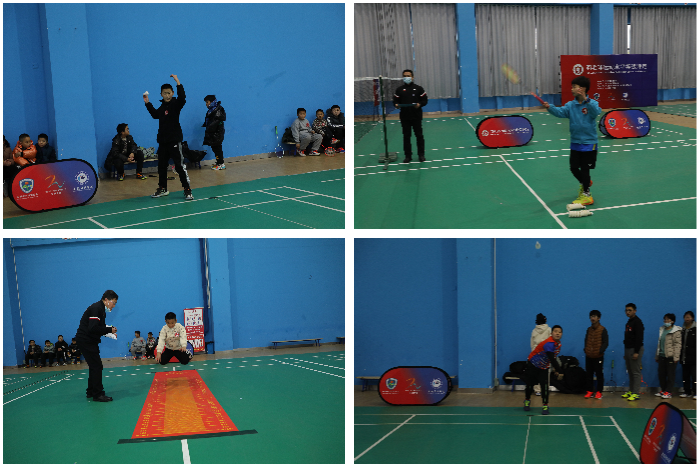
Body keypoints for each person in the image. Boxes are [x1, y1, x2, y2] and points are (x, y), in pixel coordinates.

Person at [541, 76, 601, 206]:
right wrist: (549, 107)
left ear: (582, 89)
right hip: (575, 142)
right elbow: (560, 112)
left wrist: (586, 100)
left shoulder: (592, 103)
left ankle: (587, 195)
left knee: (585, 169)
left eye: (574, 87)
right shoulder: (570, 105)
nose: (572, 89)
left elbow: (595, 112)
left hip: (589, 143)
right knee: (573, 168)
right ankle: (586, 182)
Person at [144, 74, 193, 200]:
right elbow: (155, 115)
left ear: (172, 93)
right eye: (165, 93)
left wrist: (178, 82)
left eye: (169, 93)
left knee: (179, 166)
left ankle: (187, 189)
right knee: (161, 166)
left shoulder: (176, 104)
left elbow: (182, 98)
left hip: (174, 140)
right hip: (163, 142)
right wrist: (147, 103)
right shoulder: (162, 107)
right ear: (161, 94)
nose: (167, 95)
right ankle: (163, 188)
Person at [75, 290, 118, 402]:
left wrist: (110, 333)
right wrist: (109, 330)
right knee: (97, 366)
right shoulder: (97, 308)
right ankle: (98, 394)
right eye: (113, 303)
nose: (114, 305)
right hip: (86, 340)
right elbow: (93, 328)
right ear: (106, 300)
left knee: (94, 366)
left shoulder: (101, 309)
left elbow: (99, 328)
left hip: (88, 340)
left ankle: (91, 391)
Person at [524, 325, 564, 415]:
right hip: (533, 364)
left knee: (545, 386)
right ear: (551, 333)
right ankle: (527, 400)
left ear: (561, 334)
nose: (557, 333)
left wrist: (555, 369)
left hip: (544, 366)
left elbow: (553, 357)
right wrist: (560, 371)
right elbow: (552, 359)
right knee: (530, 385)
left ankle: (545, 405)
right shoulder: (549, 343)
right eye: (555, 331)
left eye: (560, 332)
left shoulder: (558, 344)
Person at [393, 69, 428, 163]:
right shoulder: (399, 90)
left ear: (412, 77)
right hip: (405, 117)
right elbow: (395, 101)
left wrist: (419, 104)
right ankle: (408, 156)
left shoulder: (419, 89)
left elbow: (425, 100)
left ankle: (421, 155)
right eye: (405, 76)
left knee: (419, 136)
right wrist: (396, 105)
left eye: (408, 76)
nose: (406, 77)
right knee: (406, 136)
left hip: (416, 116)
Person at [655, 313, 682, 399]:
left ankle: (668, 392)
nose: (666, 321)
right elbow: (659, 344)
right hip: (662, 355)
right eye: (665, 319)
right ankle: (663, 390)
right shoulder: (662, 329)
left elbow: (678, 345)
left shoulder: (676, 331)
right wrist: (657, 355)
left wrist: (676, 357)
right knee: (661, 374)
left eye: (668, 319)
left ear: (672, 321)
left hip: (671, 356)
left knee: (670, 375)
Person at [621, 303, 645, 401]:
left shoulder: (638, 322)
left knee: (635, 372)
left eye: (630, 310)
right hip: (628, 349)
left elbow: (639, 338)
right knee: (630, 372)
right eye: (626, 310)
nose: (628, 312)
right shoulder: (629, 322)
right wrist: (625, 352)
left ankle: (636, 393)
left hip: (635, 349)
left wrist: (636, 352)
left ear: (635, 311)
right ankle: (631, 391)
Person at [583, 310, 609, 399]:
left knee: (599, 375)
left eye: (594, 316)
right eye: (591, 316)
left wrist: (600, 351)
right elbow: (586, 340)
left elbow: (606, 342)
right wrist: (586, 350)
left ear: (599, 318)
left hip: (598, 356)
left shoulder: (603, 329)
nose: (592, 318)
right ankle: (590, 391)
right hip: (589, 356)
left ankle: (599, 392)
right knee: (589, 374)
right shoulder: (589, 329)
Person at [202, 94, 227, 170]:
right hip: (214, 133)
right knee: (215, 148)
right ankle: (218, 162)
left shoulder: (217, 110)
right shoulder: (212, 110)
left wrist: (208, 128)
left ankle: (221, 164)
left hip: (217, 134)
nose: (206, 104)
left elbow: (214, 123)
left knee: (217, 149)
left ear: (212, 102)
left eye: (207, 102)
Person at [530, 313, 551, 396]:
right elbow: (551, 342)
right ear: (545, 320)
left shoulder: (534, 331)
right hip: (545, 353)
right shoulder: (549, 329)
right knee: (546, 372)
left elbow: (532, 344)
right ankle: (545, 389)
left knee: (536, 372)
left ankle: (537, 390)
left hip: (536, 353)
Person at [680, 311, 696, 399]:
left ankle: (696, 392)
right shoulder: (682, 330)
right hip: (684, 357)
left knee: (695, 376)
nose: (687, 319)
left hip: (694, 357)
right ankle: (687, 391)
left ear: (692, 318)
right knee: (685, 376)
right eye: (685, 317)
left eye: (689, 317)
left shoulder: (696, 329)